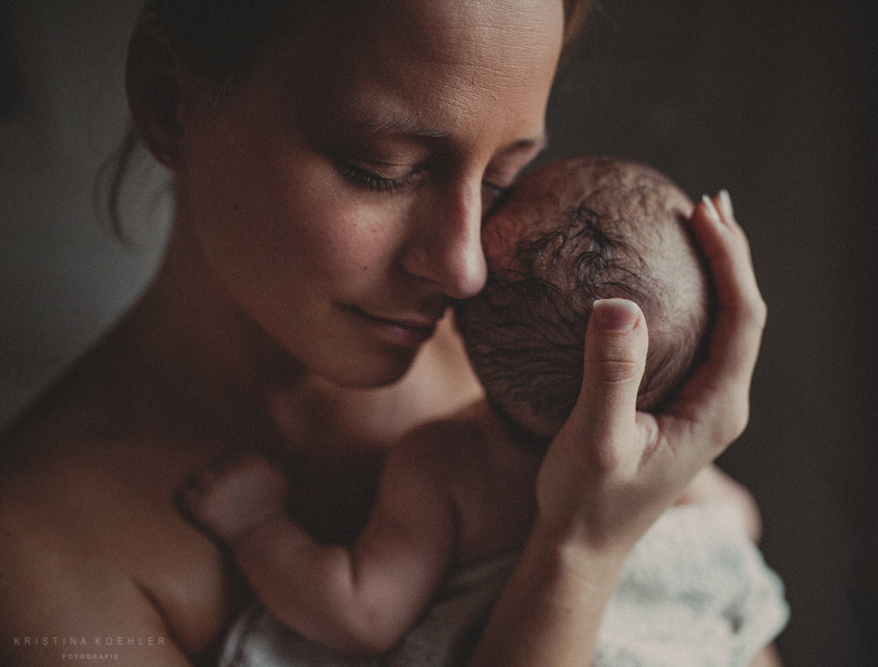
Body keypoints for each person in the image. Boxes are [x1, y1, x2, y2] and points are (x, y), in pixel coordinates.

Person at [0, 2, 770, 667]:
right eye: (383, 167)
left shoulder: (534, 374)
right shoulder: (41, 561)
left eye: (502, 179)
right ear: (169, 102)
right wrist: (579, 552)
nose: (466, 271)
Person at [179, 156, 775, 662]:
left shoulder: (447, 465)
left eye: (503, 179)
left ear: (459, 319)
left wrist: (256, 523)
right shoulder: (665, 465)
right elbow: (738, 522)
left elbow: (361, 615)